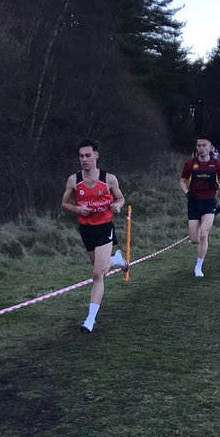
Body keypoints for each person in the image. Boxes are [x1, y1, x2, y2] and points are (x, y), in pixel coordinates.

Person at [61, 139, 128, 333]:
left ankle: (90, 320)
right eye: (81, 156)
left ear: (96, 156)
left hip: (104, 227)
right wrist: (77, 209)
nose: (84, 159)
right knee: (100, 269)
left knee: (97, 274)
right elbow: (63, 204)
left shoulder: (109, 179)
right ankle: (116, 259)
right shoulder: (74, 180)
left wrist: (118, 205)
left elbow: (121, 198)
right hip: (86, 230)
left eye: (88, 155)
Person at [180, 136, 220, 278]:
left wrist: (217, 186)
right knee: (194, 239)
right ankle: (200, 235)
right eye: (198, 146)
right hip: (194, 202)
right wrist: (187, 193)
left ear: (210, 147)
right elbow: (182, 181)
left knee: (204, 234)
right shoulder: (190, 164)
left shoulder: (216, 164)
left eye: (204, 145)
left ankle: (198, 267)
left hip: (209, 202)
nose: (201, 148)